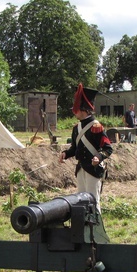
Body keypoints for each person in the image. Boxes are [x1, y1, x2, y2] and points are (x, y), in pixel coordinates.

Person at [59, 84, 113, 213]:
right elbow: (75, 148)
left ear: (84, 110)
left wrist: (99, 157)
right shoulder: (76, 128)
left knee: (94, 201)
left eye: (76, 109)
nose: (74, 112)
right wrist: (65, 154)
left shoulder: (96, 127)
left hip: (93, 170)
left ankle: (96, 229)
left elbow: (107, 148)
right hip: (81, 168)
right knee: (81, 202)